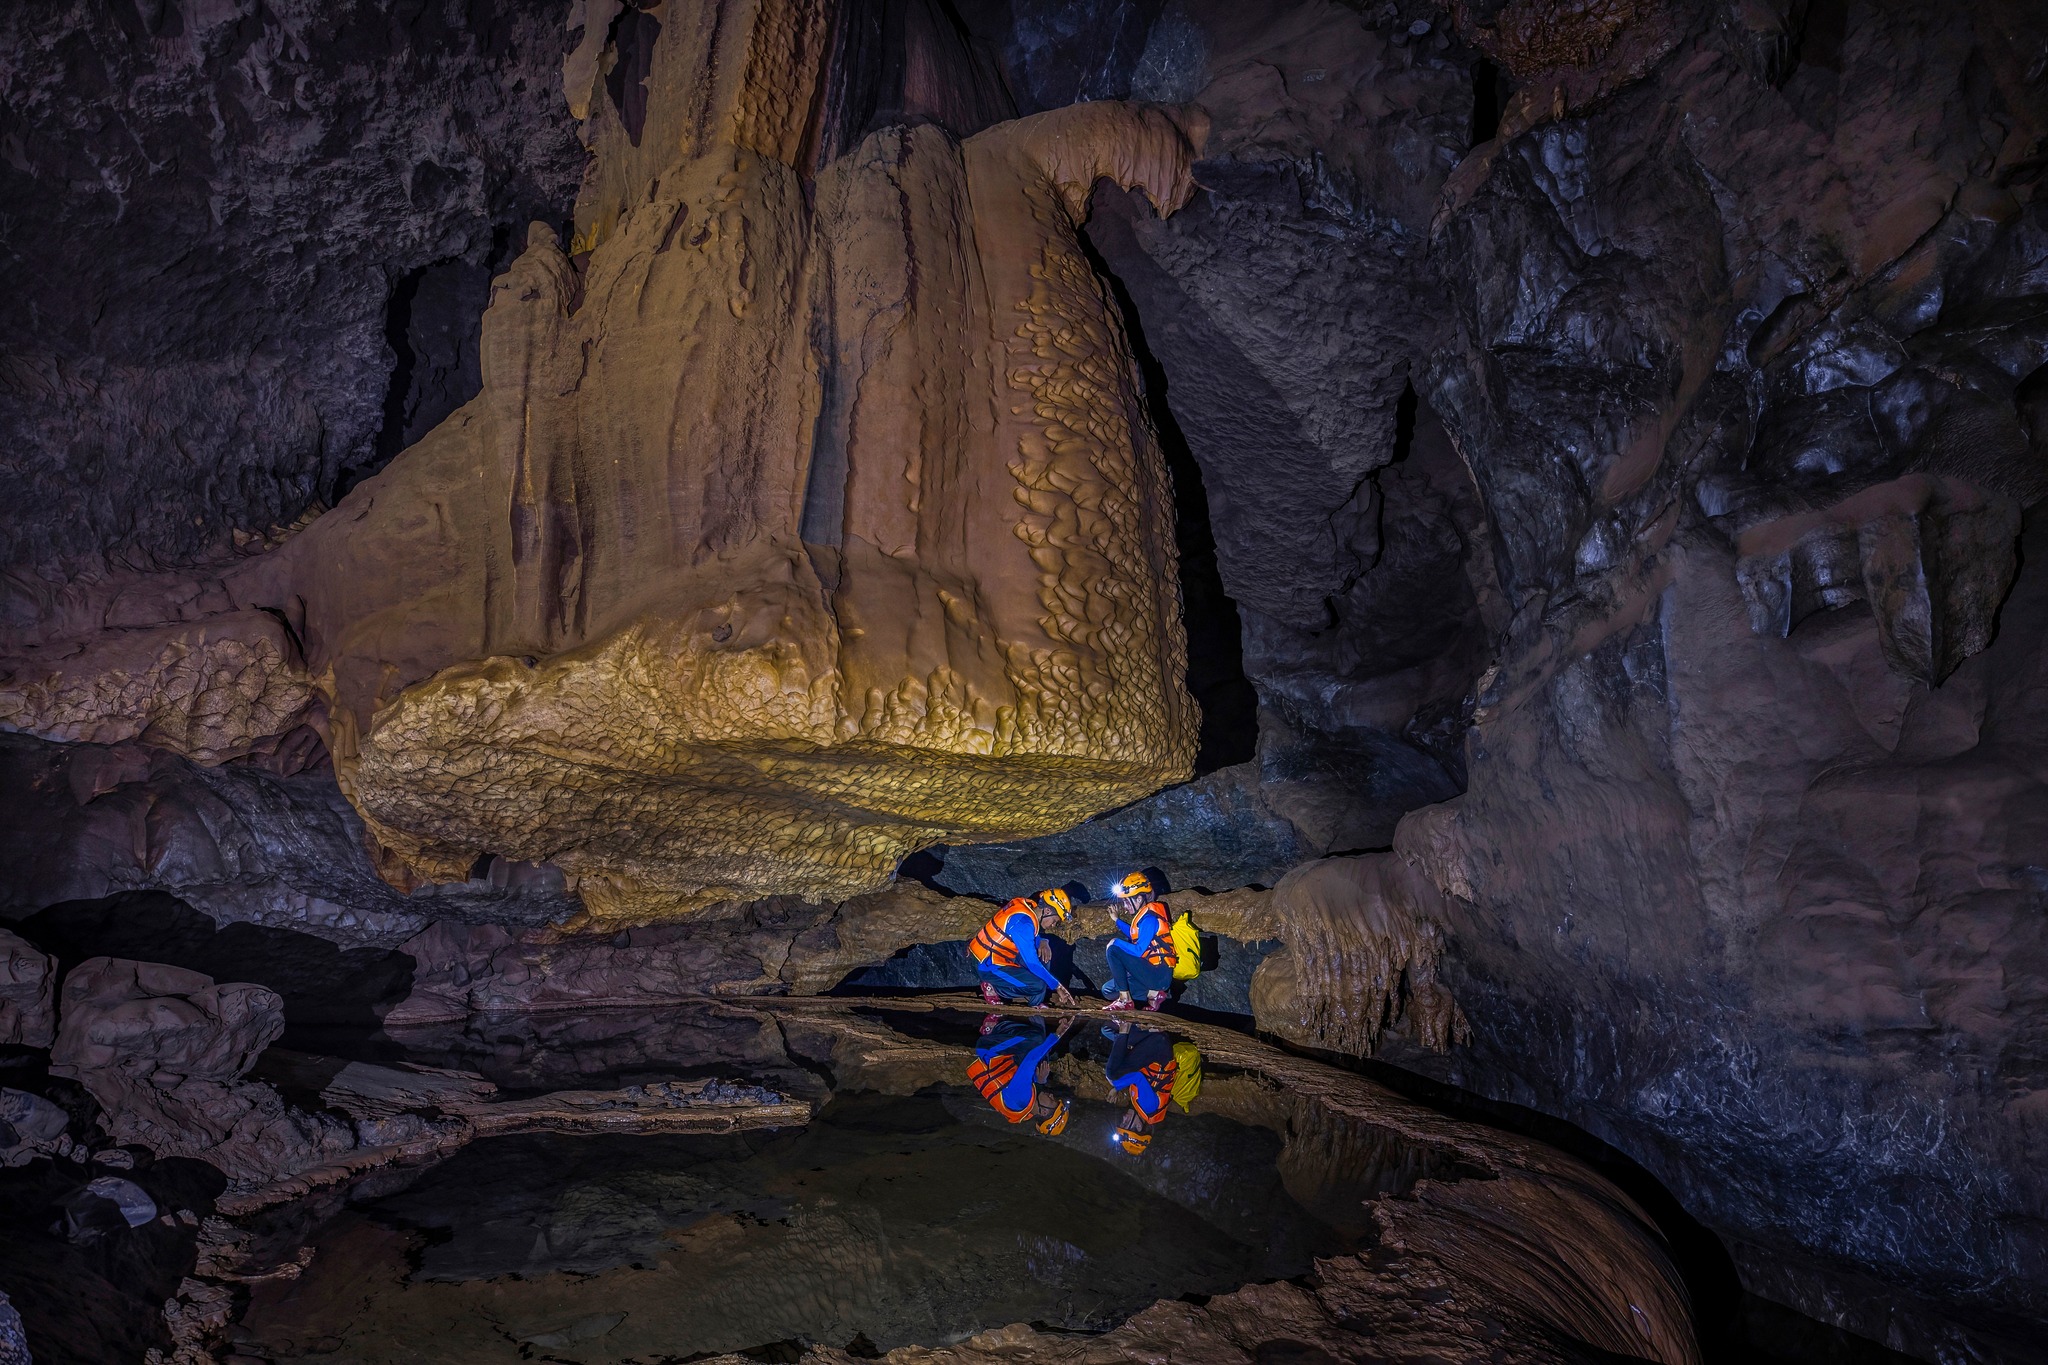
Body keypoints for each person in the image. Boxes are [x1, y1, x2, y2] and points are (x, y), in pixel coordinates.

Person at [967, 1014, 1073, 1137]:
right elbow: (1029, 1080)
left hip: (989, 1049)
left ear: (1044, 1111)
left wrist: (1057, 1035)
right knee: (1042, 1065)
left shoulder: (1019, 1100)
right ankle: (1035, 1022)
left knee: (1036, 1039)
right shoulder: (1027, 1110)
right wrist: (1041, 1080)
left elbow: (1030, 1061)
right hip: (1006, 1061)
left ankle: (995, 1027)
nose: (1051, 1095)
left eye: (1052, 1100)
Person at [968, 888, 1077, 1008]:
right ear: (1047, 910)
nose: (1053, 925)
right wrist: (1057, 986)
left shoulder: (1028, 908)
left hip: (999, 956)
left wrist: (1042, 941)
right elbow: (1032, 963)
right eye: (1055, 920)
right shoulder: (1023, 923)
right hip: (986, 963)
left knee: (1043, 955)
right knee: (1038, 984)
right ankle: (994, 988)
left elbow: (1027, 936)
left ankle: (1036, 1003)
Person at [1103, 1018, 1177, 1156]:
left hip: (1154, 1049)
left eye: (1121, 1123)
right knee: (1112, 1076)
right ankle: (1126, 1029)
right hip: (1158, 1047)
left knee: (1107, 1029)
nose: (1123, 1118)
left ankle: (1132, 1031)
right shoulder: (1148, 1107)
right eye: (1125, 1124)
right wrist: (1116, 1088)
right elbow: (1137, 1077)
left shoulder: (1141, 1109)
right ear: (1138, 1126)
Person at [1102, 871, 1175, 1011]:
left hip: (1158, 974)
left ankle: (1125, 1000)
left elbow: (1139, 950)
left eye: (1126, 901)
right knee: (1108, 990)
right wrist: (1117, 920)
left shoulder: (1150, 919)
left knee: (1113, 947)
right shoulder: (1143, 918)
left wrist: (1115, 944)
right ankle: (1153, 994)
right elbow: (1134, 933)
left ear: (1139, 899)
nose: (1124, 906)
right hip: (1148, 974)